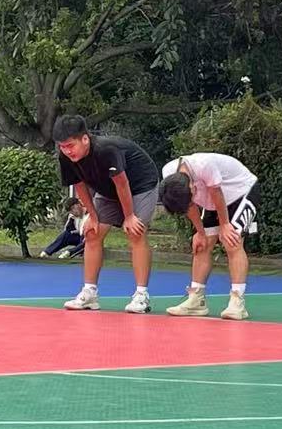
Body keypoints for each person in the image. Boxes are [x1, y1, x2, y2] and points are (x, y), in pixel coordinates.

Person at [54, 115, 159, 313]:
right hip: (107, 189)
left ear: (85, 139)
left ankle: (141, 296)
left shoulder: (106, 150)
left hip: (140, 185)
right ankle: (90, 293)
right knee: (91, 233)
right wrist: (92, 217)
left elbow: (122, 183)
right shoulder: (65, 157)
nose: (67, 151)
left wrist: (129, 216)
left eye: (70, 145)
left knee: (135, 232)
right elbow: (79, 185)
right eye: (62, 146)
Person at [158, 151, 259, 321]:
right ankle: (196, 300)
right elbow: (189, 205)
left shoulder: (204, 165)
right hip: (214, 200)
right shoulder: (169, 173)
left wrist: (225, 225)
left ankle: (237, 302)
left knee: (232, 241)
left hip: (241, 192)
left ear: (192, 186)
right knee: (201, 245)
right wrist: (200, 232)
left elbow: (216, 193)